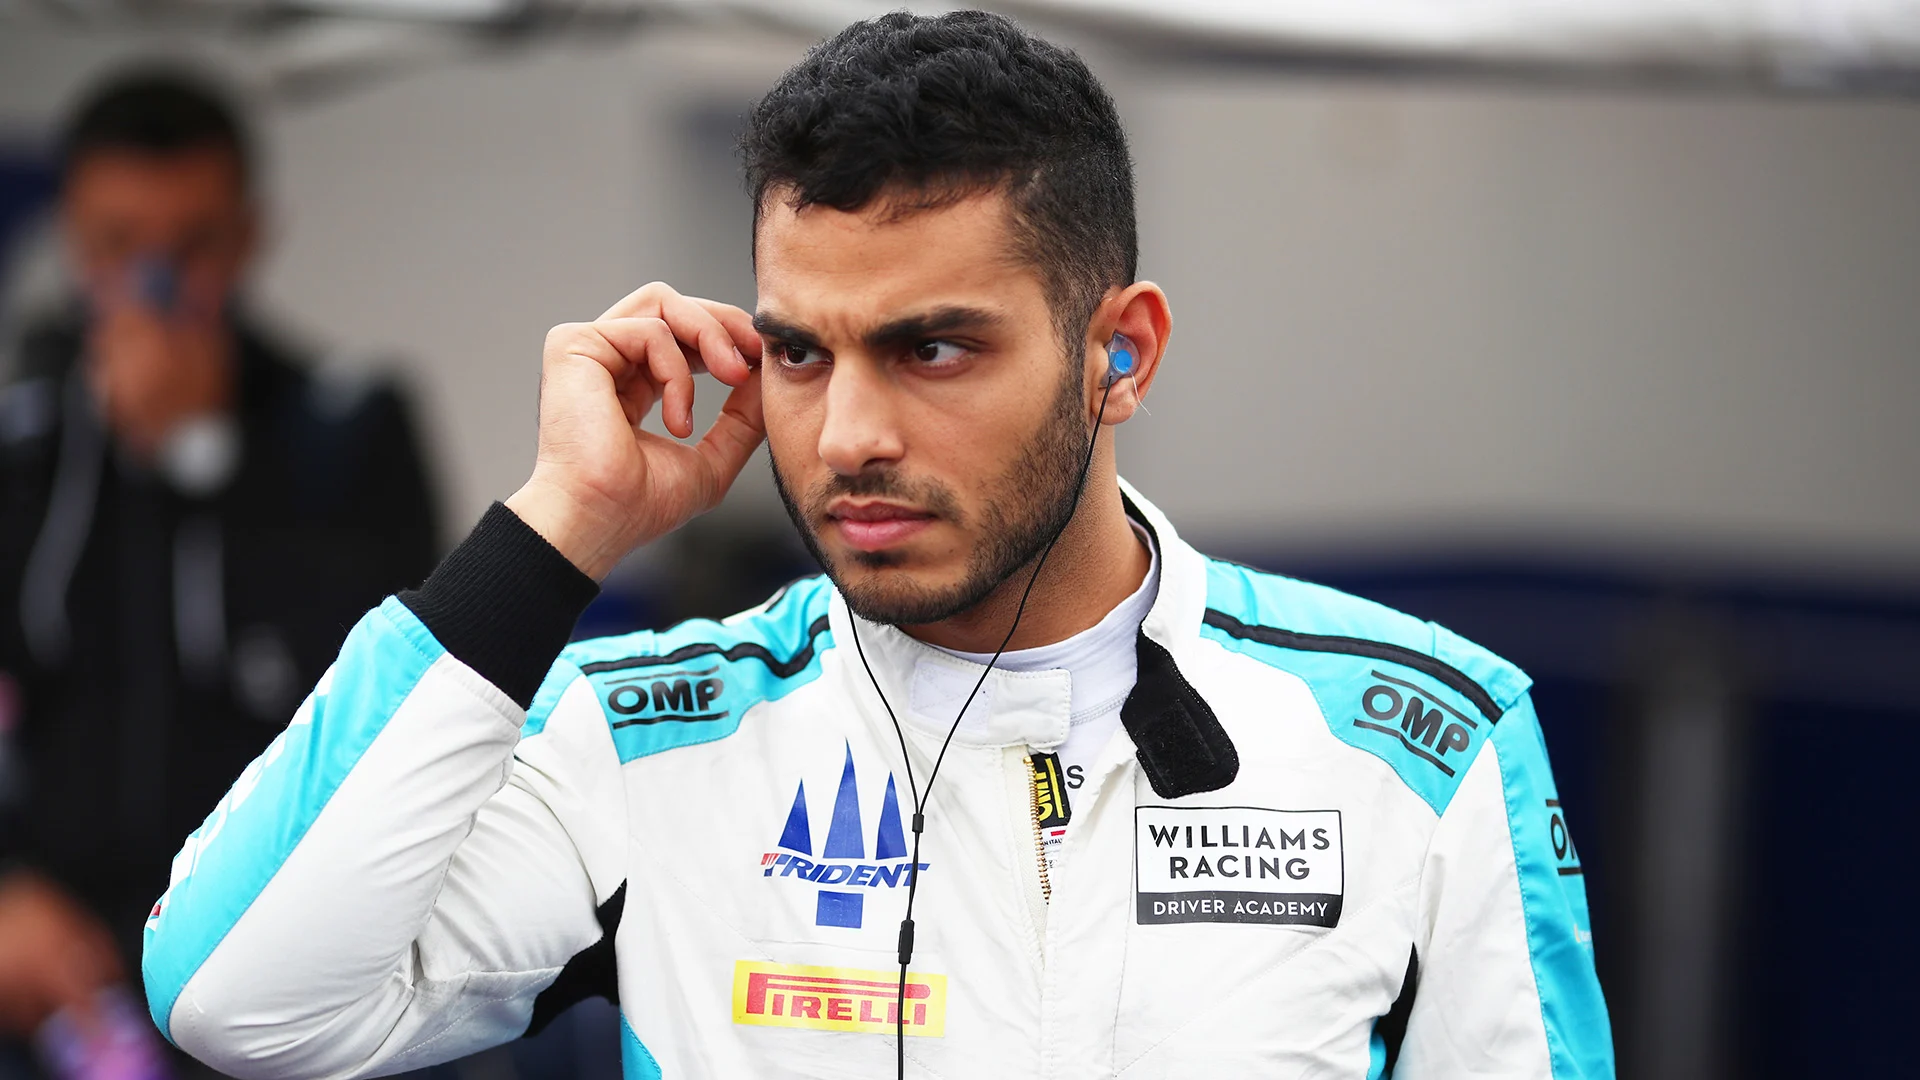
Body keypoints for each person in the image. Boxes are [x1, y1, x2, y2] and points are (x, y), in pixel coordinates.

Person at [141, 12, 1611, 1079]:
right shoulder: (653, 739)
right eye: (797, 352)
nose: (847, 433)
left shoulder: (1422, 740)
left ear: (1122, 354)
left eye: (932, 348)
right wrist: (558, 531)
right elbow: (234, 999)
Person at [0, 68, 438, 1048]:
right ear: (74, 240)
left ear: (247, 236)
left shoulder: (350, 428)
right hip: (51, 972)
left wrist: (202, 460)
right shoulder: (24, 449)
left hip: (272, 965)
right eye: (119, 245)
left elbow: (387, 701)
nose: (155, 284)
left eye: (191, 246)